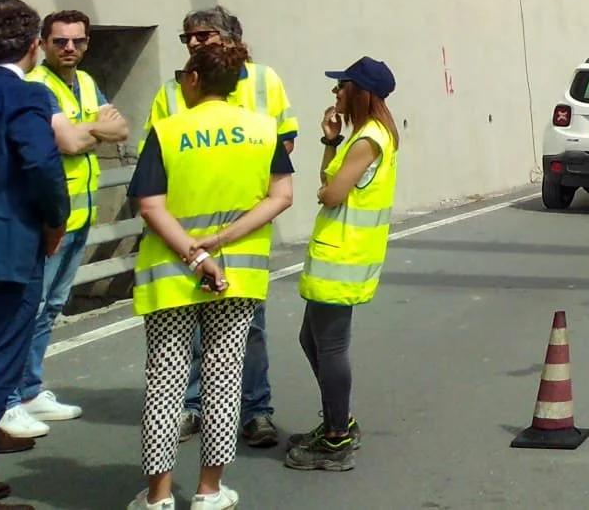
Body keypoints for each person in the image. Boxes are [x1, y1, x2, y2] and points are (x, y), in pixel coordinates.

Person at [127, 40, 294, 510]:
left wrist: (194, 254)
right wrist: (219, 242)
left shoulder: (167, 130)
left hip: (171, 276)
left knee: (165, 384)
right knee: (225, 381)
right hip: (238, 276)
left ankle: (158, 498)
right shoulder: (263, 131)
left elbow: (148, 204)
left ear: (194, 79)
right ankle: (208, 491)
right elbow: (281, 196)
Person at [10, 10, 129, 430]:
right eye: (60, 41)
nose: (70, 48)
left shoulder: (88, 82)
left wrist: (86, 132)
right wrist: (91, 130)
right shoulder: (36, 85)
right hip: (49, 217)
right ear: (41, 43)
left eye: (78, 41)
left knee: (51, 307)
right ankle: (9, 399)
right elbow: (70, 141)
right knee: (29, 307)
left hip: (82, 213)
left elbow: (120, 130)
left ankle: (29, 388)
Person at [287, 58, 401, 473]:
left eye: (341, 87)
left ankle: (336, 436)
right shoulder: (365, 137)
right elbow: (329, 181)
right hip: (344, 253)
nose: (335, 93)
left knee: (329, 345)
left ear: (359, 91)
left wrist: (327, 184)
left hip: (342, 255)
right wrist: (329, 140)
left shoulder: (369, 139)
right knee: (311, 339)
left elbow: (330, 194)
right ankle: (338, 420)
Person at [0, 0, 69, 510]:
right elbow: (40, 162)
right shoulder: (24, 95)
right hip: (6, 251)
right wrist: (56, 218)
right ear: (34, 46)